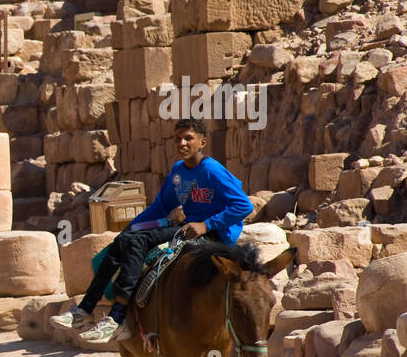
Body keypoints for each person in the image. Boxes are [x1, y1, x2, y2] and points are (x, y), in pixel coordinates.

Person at [52, 118, 255, 344]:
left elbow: (244, 205)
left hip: (213, 235)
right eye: (177, 139)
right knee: (125, 240)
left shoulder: (211, 170)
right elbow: (160, 207)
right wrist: (131, 227)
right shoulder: (178, 172)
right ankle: (85, 310)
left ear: (202, 142)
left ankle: (116, 317)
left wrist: (206, 224)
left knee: (136, 243)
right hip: (187, 229)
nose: (182, 144)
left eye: (189, 138)